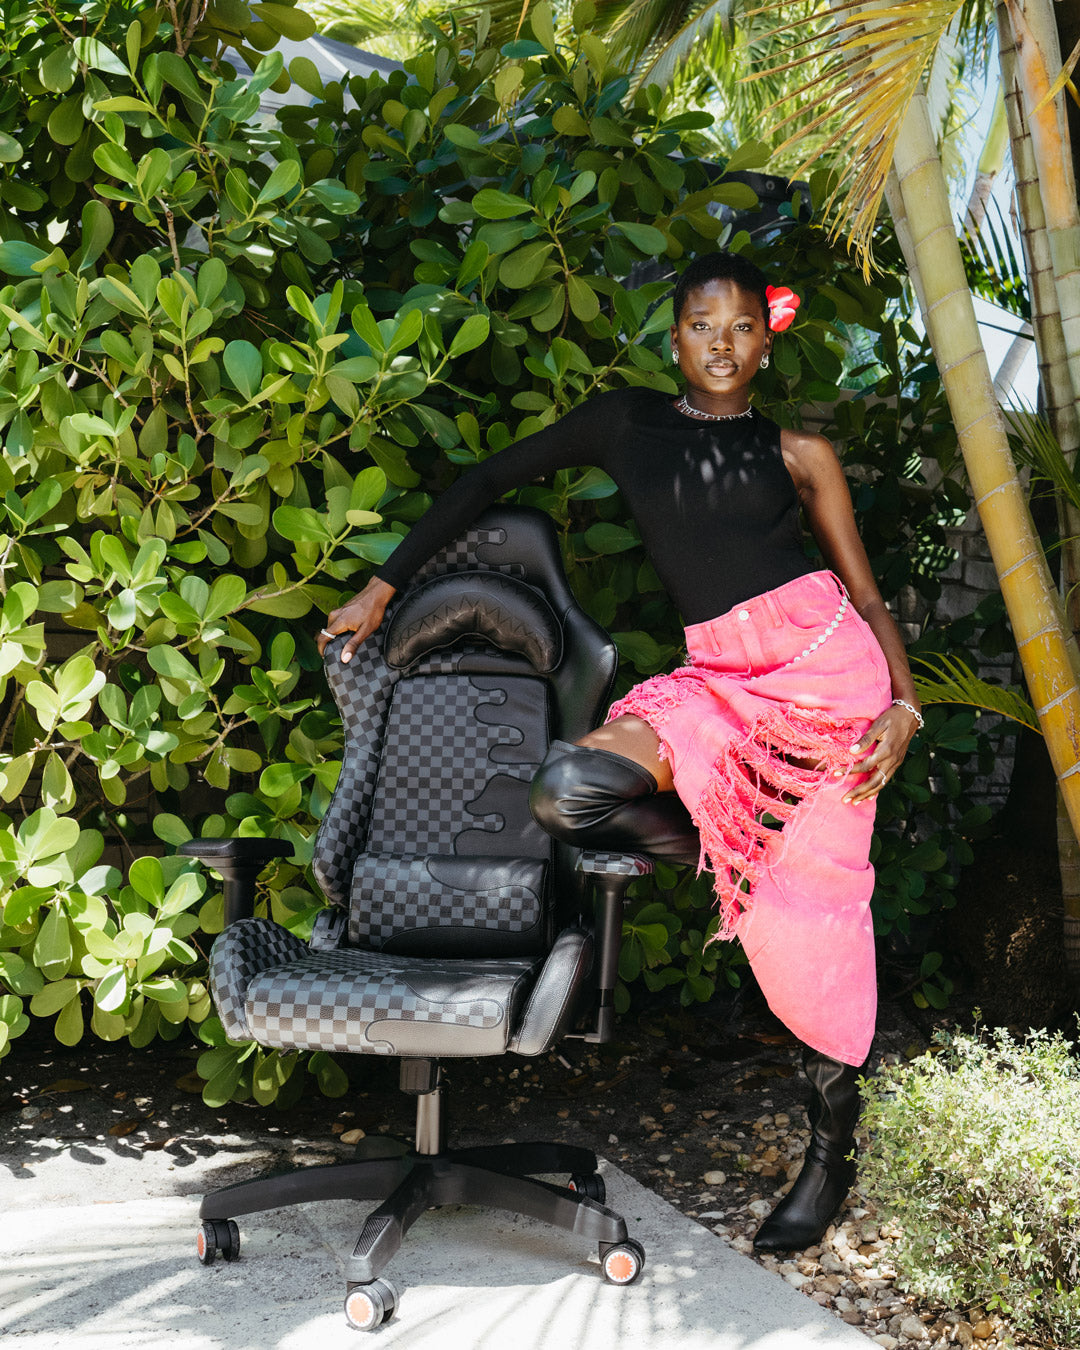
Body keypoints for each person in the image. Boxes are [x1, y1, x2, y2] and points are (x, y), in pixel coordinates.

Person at [315, 250, 923, 1252]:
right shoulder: (625, 424)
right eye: (702, 327)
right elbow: (489, 476)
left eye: (741, 328)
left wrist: (904, 704)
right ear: (674, 338)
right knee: (570, 789)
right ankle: (740, 851)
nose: (721, 345)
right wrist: (383, 586)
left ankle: (831, 1151)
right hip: (718, 681)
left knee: (817, 925)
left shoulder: (799, 452)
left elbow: (863, 594)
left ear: (766, 344)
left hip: (826, 687)